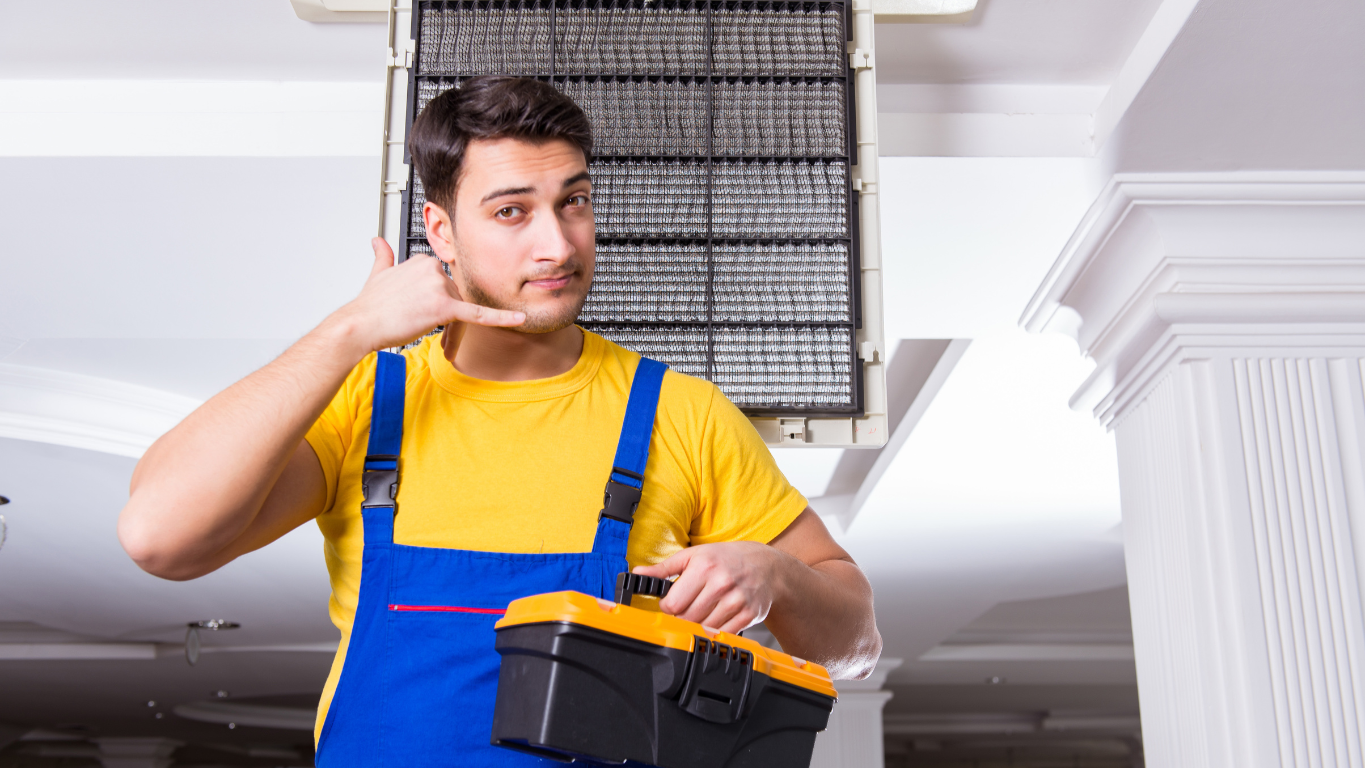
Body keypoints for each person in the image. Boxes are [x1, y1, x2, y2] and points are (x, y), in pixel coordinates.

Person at [118, 75, 881, 765]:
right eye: (512, 211)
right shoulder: (365, 402)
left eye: (573, 202)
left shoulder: (681, 414)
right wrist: (345, 331)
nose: (557, 244)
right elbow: (159, 537)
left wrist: (776, 576)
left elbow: (855, 641)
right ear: (440, 232)